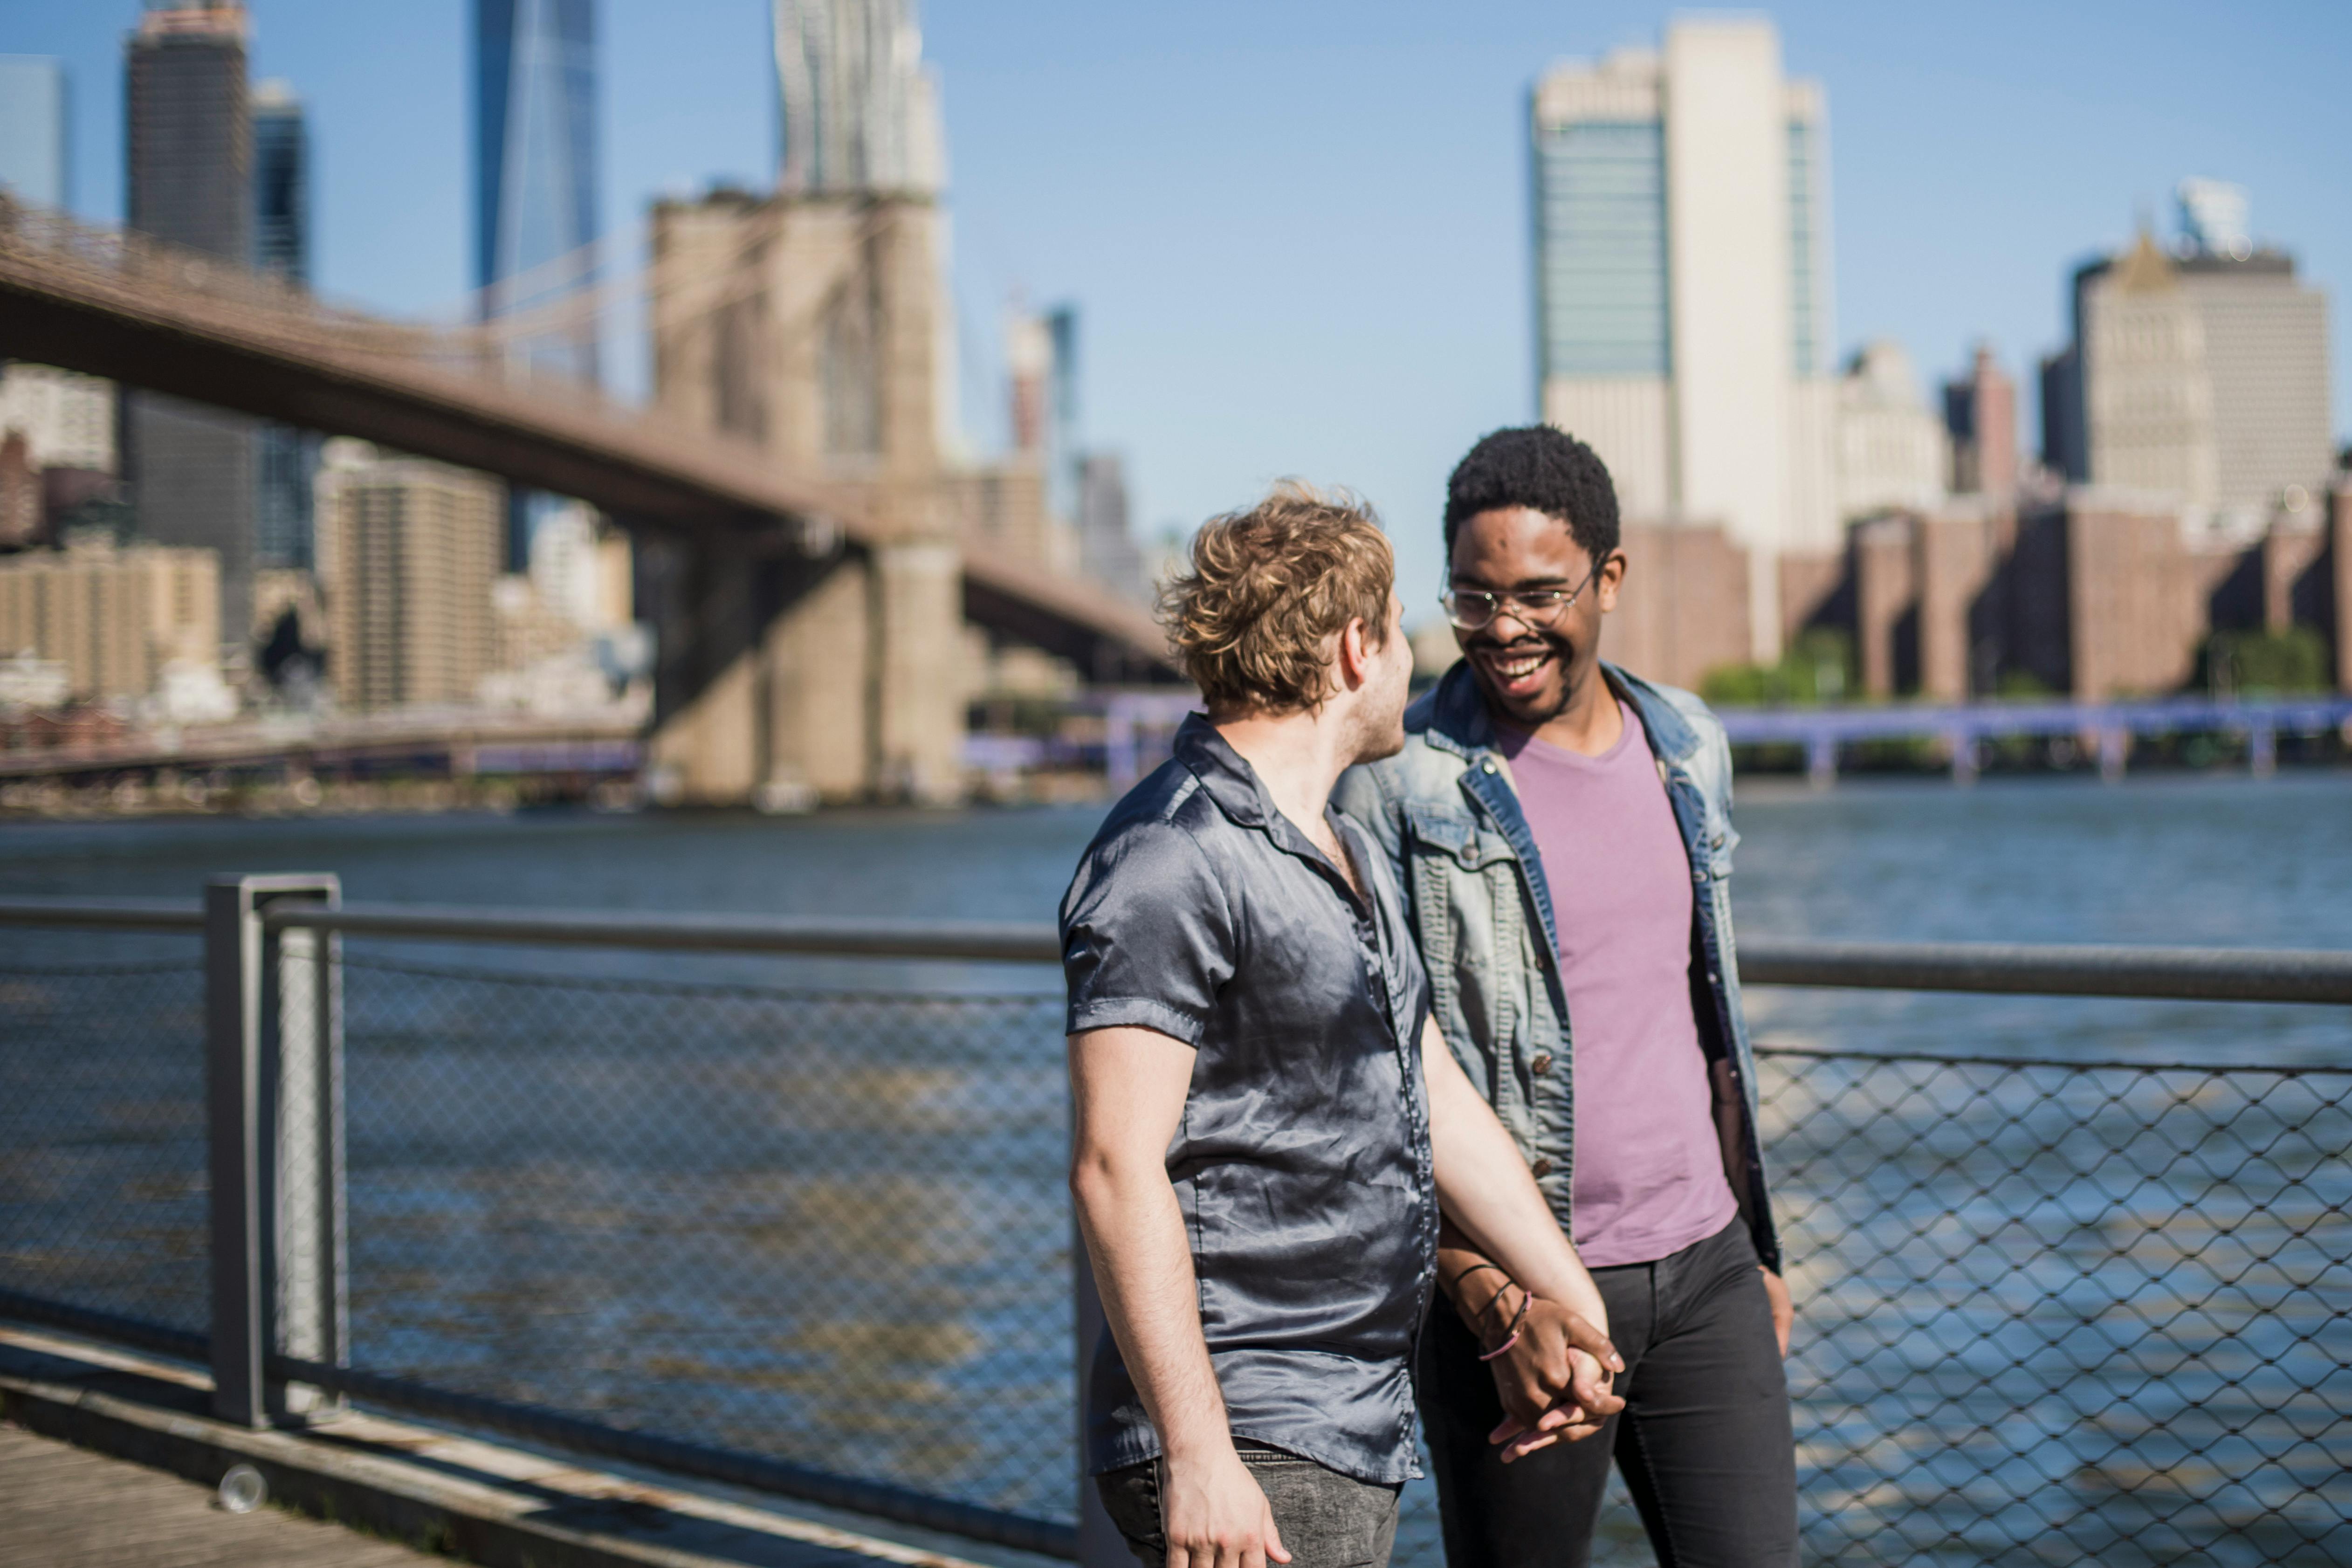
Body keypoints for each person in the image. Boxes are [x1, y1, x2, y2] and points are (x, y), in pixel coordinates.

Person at [1063, 483, 1626, 1568]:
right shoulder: (1168, 855)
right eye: (1405, 628)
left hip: (1348, 1411)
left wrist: (1574, 1304)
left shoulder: (1342, 850)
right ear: (1357, 647)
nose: (1418, 660)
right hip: (1248, 1427)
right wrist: (1199, 1452)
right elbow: (1110, 1164)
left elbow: (1436, 1091)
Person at [1333, 428, 1797, 1568]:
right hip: (1519, 1296)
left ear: (1611, 578)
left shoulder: (1687, 740)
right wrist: (1492, 1299)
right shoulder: (1399, 779)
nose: (1504, 629)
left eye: (1540, 592)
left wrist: (1758, 1246)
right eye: (1475, 598)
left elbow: (1705, 1014)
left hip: (1705, 1268)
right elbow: (1377, 1074)